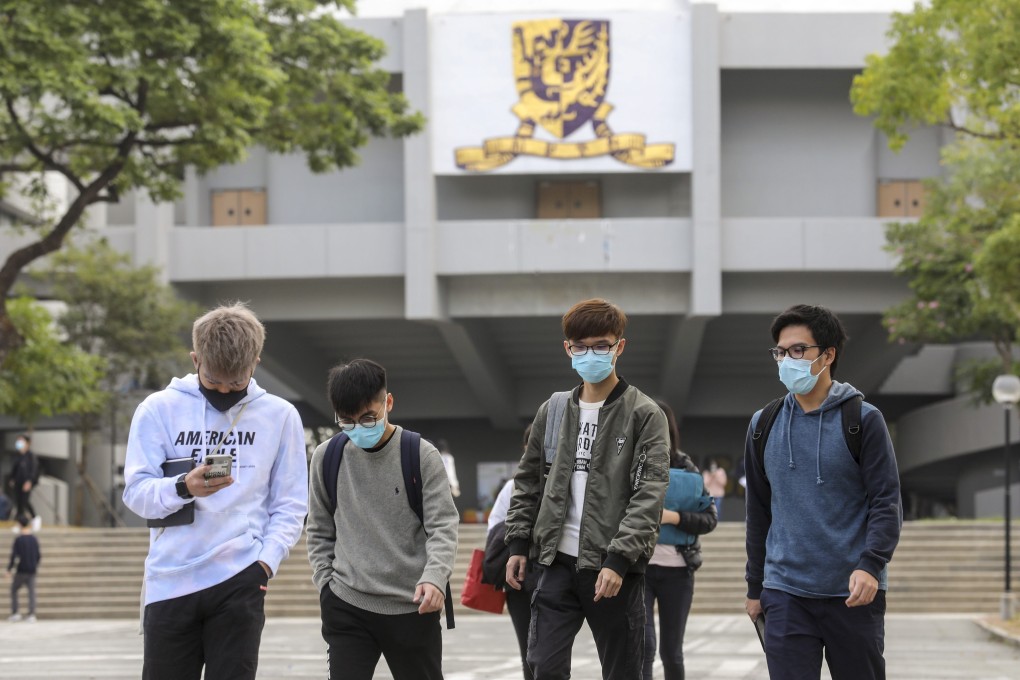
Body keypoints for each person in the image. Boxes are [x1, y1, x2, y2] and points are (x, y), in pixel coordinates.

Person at [122, 302, 308, 680]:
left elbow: (290, 504)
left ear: (255, 362)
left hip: (240, 575)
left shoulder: (280, 415)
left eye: (235, 383)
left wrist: (265, 563)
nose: (224, 390)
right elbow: (136, 492)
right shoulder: (158, 409)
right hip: (171, 577)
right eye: (213, 381)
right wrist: (183, 486)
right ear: (195, 359)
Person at [505, 298, 670, 680]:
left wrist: (620, 559)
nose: (589, 354)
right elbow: (528, 480)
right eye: (580, 346)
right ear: (568, 349)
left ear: (619, 347)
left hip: (612, 567)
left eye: (601, 345)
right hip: (556, 563)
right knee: (543, 666)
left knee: (623, 671)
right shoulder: (554, 409)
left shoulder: (643, 413)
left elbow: (649, 492)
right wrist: (517, 544)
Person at [744, 304, 902, 680]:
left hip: (854, 592)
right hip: (785, 592)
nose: (786, 360)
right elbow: (759, 510)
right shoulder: (763, 424)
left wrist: (871, 564)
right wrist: (755, 586)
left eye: (798, 350)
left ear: (827, 355)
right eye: (780, 352)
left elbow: (886, 501)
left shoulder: (862, 420)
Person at [306, 358, 459, 680]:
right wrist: (325, 584)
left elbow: (443, 525)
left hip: (412, 605)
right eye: (346, 422)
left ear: (388, 402)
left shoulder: (420, 454)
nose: (358, 429)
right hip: (347, 601)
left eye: (368, 418)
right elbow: (319, 528)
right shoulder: (326, 457)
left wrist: (434, 577)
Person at [643, 401, 717, 680]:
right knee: (644, 647)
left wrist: (673, 517)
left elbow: (709, 519)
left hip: (678, 571)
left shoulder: (687, 468)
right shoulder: (629, 464)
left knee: (671, 652)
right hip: (640, 570)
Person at [484, 425, 536, 680]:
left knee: (552, 653)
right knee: (528, 650)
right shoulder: (513, 486)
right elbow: (494, 529)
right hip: (520, 582)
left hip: (556, 578)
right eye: (530, 449)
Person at [6, 514, 40, 622]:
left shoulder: (19, 539)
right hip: (32, 570)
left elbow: (14, 556)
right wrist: (35, 565)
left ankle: (16, 612)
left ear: (20, 525)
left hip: (21, 570)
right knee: (31, 592)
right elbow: (38, 555)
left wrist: (9, 569)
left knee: (14, 590)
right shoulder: (34, 539)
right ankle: (31, 614)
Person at [8, 435, 40, 532]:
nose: (19, 443)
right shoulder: (18, 456)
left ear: (27, 443)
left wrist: (30, 481)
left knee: (25, 502)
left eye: (21, 441)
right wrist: (12, 479)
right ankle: (20, 524)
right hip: (18, 483)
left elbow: (34, 470)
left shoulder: (31, 456)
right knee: (19, 504)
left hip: (26, 484)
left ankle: (35, 518)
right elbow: (14, 470)